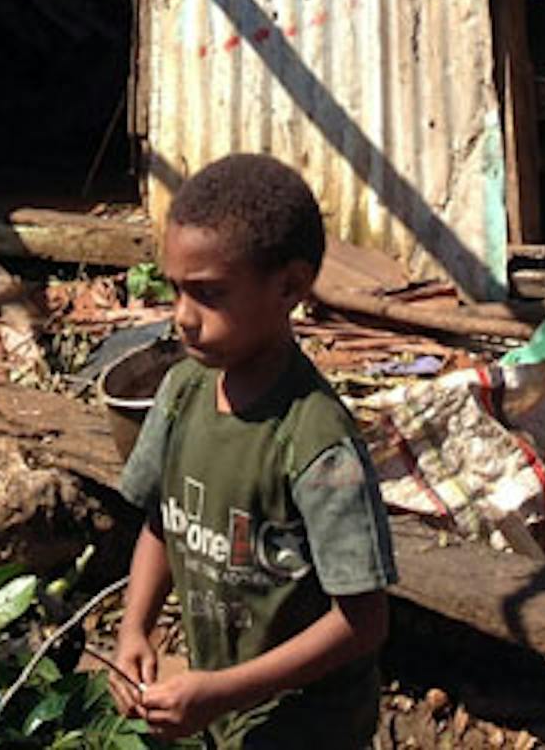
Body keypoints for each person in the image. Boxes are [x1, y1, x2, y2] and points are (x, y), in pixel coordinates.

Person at [108, 153, 395, 746]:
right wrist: (135, 628)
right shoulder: (182, 391)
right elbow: (163, 524)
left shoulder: (316, 442)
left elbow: (363, 622)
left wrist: (224, 692)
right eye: (176, 291)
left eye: (209, 295)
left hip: (309, 724)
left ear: (289, 285)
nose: (184, 318)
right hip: (222, 711)